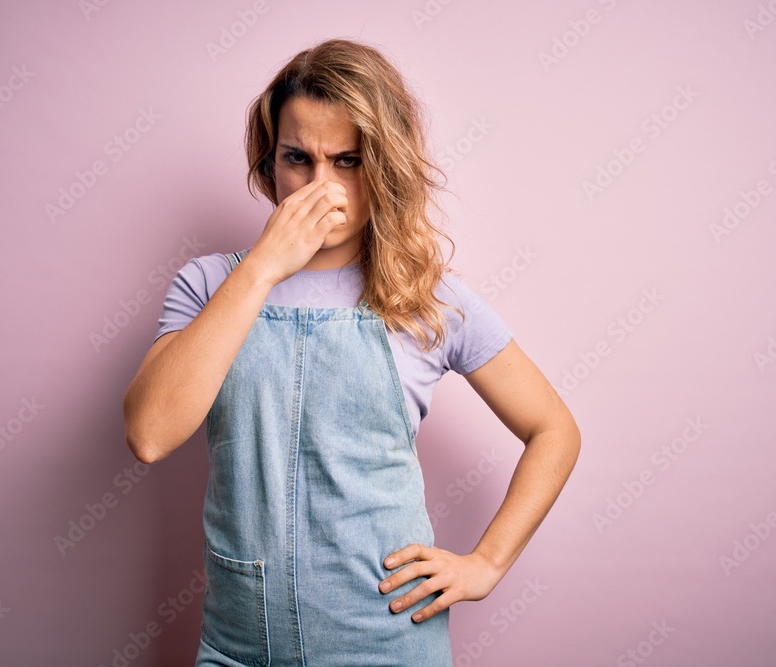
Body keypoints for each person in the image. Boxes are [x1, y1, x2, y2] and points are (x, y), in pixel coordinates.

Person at [123, 38, 580, 667]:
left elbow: (554, 429)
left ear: (384, 166)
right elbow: (149, 435)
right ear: (269, 162)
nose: (321, 187)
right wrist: (263, 268)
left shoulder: (428, 299)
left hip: (388, 640)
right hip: (238, 646)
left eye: (348, 161)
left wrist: (487, 563)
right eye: (298, 159)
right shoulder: (209, 285)